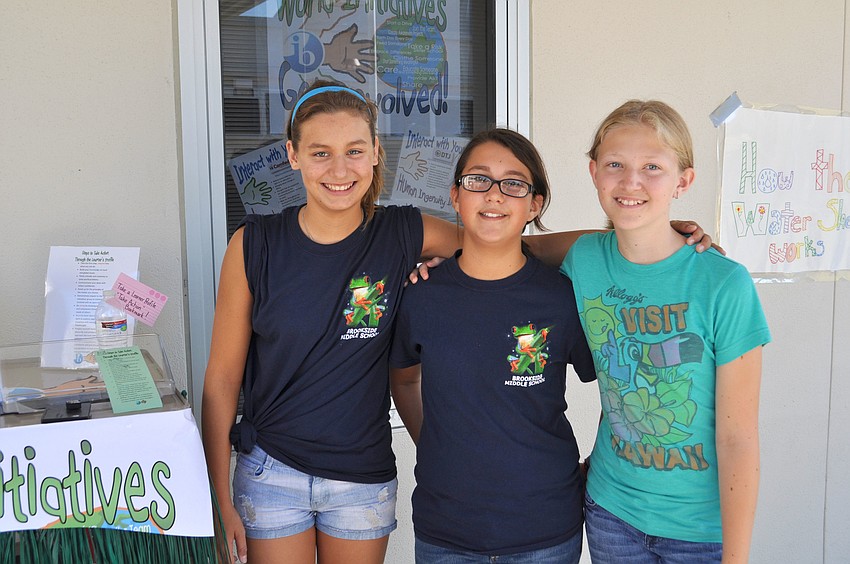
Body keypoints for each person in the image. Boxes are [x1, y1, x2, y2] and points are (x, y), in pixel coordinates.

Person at [201, 79, 714, 564]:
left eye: (355, 150)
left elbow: (510, 244)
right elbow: (222, 379)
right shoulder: (257, 245)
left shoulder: (403, 233)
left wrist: (652, 234)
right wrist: (217, 492)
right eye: (320, 153)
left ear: (377, 152)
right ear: (293, 155)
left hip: (364, 476)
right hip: (273, 469)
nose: (340, 168)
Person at [559, 100, 771, 563]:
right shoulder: (584, 259)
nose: (631, 181)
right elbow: (503, 246)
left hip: (699, 530)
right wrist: (438, 260)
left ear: (684, 180)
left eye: (652, 167)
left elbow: (739, 438)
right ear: (594, 172)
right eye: (615, 164)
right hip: (611, 513)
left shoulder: (723, 283)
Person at [389, 128, 597, 563]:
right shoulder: (423, 295)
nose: (494, 195)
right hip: (446, 530)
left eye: (514, 184)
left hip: (545, 529)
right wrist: (435, 444)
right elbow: (404, 380)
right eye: (478, 179)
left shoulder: (562, 298)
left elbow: (620, 384)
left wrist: (605, 464)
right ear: (455, 196)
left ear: (534, 204)